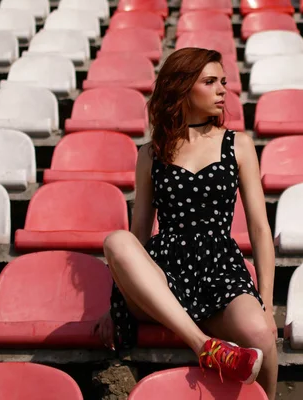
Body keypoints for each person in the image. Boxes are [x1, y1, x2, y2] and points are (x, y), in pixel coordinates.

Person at [94, 47, 278, 399]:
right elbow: (139, 235)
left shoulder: (238, 144)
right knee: (117, 240)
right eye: (210, 82)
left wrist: (267, 305)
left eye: (223, 81)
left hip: (220, 269)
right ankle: (204, 346)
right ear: (181, 89)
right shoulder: (151, 153)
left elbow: (259, 229)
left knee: (260, 335)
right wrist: (115, 300)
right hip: (165, 277)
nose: (223, 90)